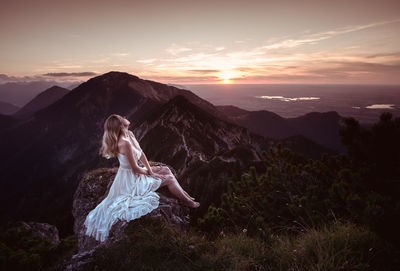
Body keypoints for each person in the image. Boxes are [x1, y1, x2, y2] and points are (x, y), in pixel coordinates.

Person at [84, 114, 200, 242]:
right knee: (169, 179)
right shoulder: (124, 143)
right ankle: (188, 202)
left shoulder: (130, 134)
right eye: (121, 119)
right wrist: (151, 174)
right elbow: (134, 168)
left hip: (135, 172)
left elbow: (141, 154)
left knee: (166, 170)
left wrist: (150, 169)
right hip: (131, 178)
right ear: (120, 125)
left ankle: (185, 195)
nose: (123, 117)